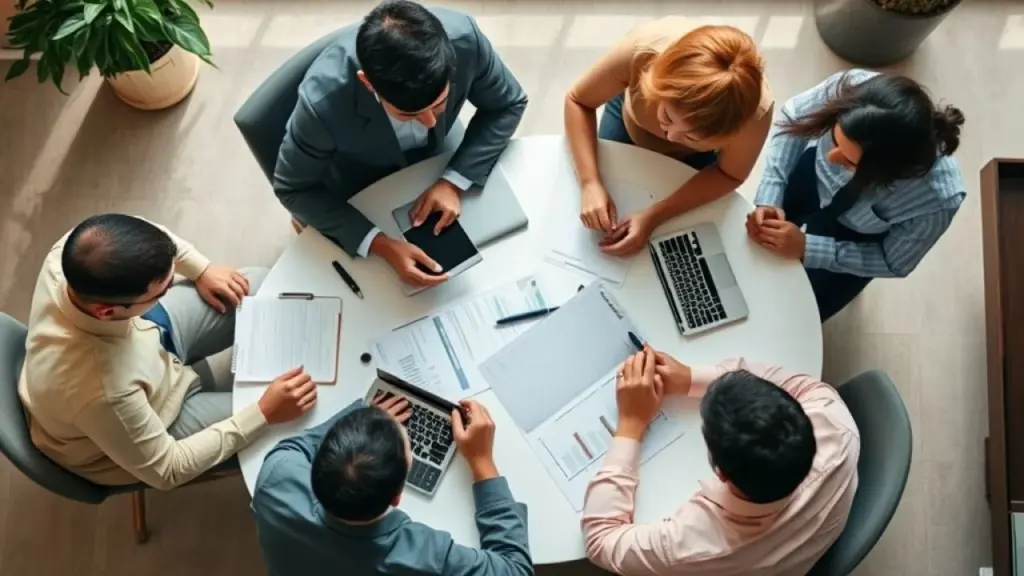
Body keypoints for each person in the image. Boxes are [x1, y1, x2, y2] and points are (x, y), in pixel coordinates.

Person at [18, 214, 317, 490]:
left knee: (258, 289)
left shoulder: (75, 250)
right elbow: (168, 469)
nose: (174, 284)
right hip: (151, 415)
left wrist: (202, 270)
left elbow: (156, 235)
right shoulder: (103, 392)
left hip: (145, 339)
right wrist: (262, 413)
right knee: (295, 416)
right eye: (162, 290)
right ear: (107, 311)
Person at [274, 0, 528, 290]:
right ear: (368, 84)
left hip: (436, 161)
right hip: (357, 184)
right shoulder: (322, 104)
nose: (431, 122)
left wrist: (453, 182)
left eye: (440, 104)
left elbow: (509, 102)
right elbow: (292, 187)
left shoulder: (465, 38)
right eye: (409, 114)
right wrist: (380, 245)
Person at [582, 346, 859, 575]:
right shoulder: (836, 423)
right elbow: (796, 385)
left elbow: (600, 540)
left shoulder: (691, 545)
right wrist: (689, 378)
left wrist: (631, 423)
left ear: (721, 472)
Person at [746, 69, 966, 321]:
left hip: (859, 236)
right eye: (834, 140)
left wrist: (808, 247)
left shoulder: (938, 200)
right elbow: (794, 117)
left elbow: (892, 261)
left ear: (886, 173)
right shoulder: (854, 89)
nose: (831, 156)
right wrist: (771, 193)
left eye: (849, 161)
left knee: (800, 314)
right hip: (809, 179)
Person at [251, 394, 533, 576]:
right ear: (396, 497)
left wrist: (362, 424)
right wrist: (483, 462)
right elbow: (515, 571)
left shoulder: (275, 477)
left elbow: (294, 446)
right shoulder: (426, 557)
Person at [564, 20, 773, 256]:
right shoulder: (642, 50)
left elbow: (729, 173)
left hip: (695, 161)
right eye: (666, 116)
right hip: (627, 120)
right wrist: (589, 181)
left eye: (692, 136)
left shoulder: (754, 119)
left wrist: (654, 216)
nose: (670, 137)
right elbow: (577, 100)